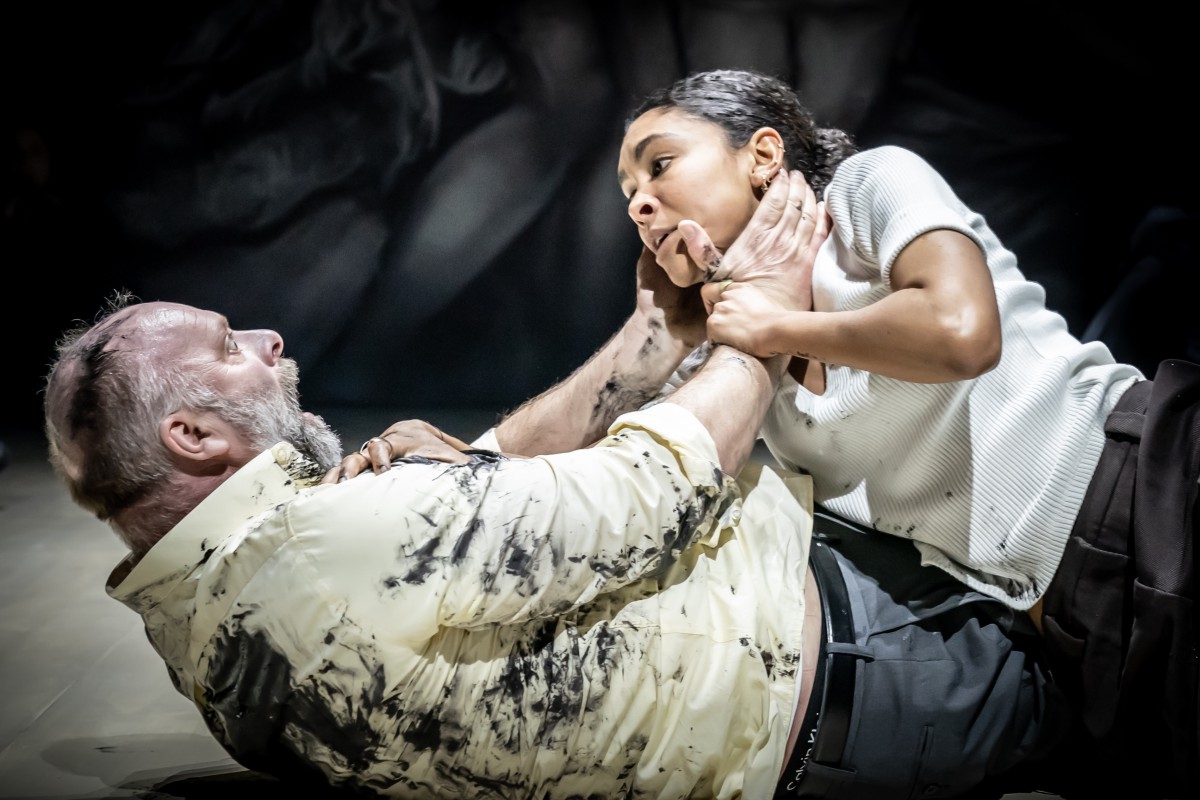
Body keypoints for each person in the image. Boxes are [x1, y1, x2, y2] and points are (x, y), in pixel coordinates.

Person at [43, 184, 1067, 799]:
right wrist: (763, 308)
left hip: (839, 683)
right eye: (231, 348)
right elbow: (646, 486)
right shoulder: (311, 550)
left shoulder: (207, 615)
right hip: (875, 668)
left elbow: (488, 512)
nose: (269, 341)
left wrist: (652, 335)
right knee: (1132, 670)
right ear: (192, 434)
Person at [352, 69, 1194, 797]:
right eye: (627, 195)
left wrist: (780, 325)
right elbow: (592, 443)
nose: (640, 201)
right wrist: (474, 463)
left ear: (761, 155)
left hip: (1146, 478)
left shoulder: (869, 188)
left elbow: (963, 330)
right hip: (1074, 618)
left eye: (661, 164)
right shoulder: (738, 351)